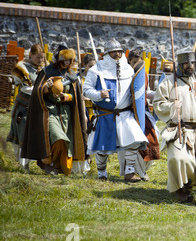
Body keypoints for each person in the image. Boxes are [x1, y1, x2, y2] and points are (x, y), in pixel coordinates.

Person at [153, 50, 196, 202]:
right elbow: (158, 103)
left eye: (192, 63)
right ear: (180, 65)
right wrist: (171, 106)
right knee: (178, 159)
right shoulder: (169, 82)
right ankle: (179, 188)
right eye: (186, 64)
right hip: (178, 130)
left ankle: (187, 188)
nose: (190, 66)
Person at [83, 38, 148, 182]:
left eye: (119, 51)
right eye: (114, 52)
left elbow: (135, 89)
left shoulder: (128, 69)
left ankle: (129, 172)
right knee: (103, 148)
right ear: (107, 54)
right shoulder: (96, 70)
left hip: (125, 113)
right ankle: (102, 173)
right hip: (105, 115)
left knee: (135, 140)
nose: (118, 55)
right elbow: (86, 89)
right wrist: (99, 95)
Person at [21, 45, 87, 176]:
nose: (67, 63)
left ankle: (56, 165)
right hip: (49, 110)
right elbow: (37, 92)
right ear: (58, 60)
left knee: (66, 142)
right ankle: (46, 162)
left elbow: (77, 97)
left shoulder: (72, 75)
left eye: (69, 60)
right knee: (57, 137)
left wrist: (66, 97)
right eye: (64, 60)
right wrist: (46, 87)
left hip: (66, 114)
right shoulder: (47, 72)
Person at [115, 48, 160, 181]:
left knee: (151, 138)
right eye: (134, 62)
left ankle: (142, 171)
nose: (136, 65)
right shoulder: (123, 75)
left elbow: (143, 92)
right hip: (127, 113)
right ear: (128, 61)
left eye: (138, 62)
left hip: (142, 112)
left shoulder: (143, 74)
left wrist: (159, 95)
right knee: (132, 142)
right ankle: (132, 172)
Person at [7, 43, 47, 171]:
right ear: (31, 55)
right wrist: (43, 90)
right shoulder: (21, 68)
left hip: (38, 108)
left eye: (42, 58)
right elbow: (26, 88)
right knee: (23, 134)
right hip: (23, 107)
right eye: (37, 58)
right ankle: (24, 165)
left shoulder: (44, 68)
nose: (40, 60)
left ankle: (40, 162)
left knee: (35, 135)